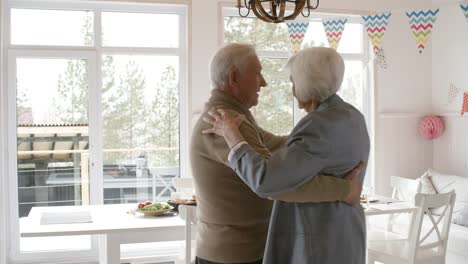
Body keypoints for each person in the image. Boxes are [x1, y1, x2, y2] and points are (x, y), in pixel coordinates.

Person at [190, 43, 365, 264]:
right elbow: (275, 181)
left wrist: (324, 142)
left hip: (243, 251)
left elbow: (281, 146)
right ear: (234, 78)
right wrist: (345, 189)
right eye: (257, 74)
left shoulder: (235, 118)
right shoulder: (223, 123)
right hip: (234, 255)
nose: (263, 82)